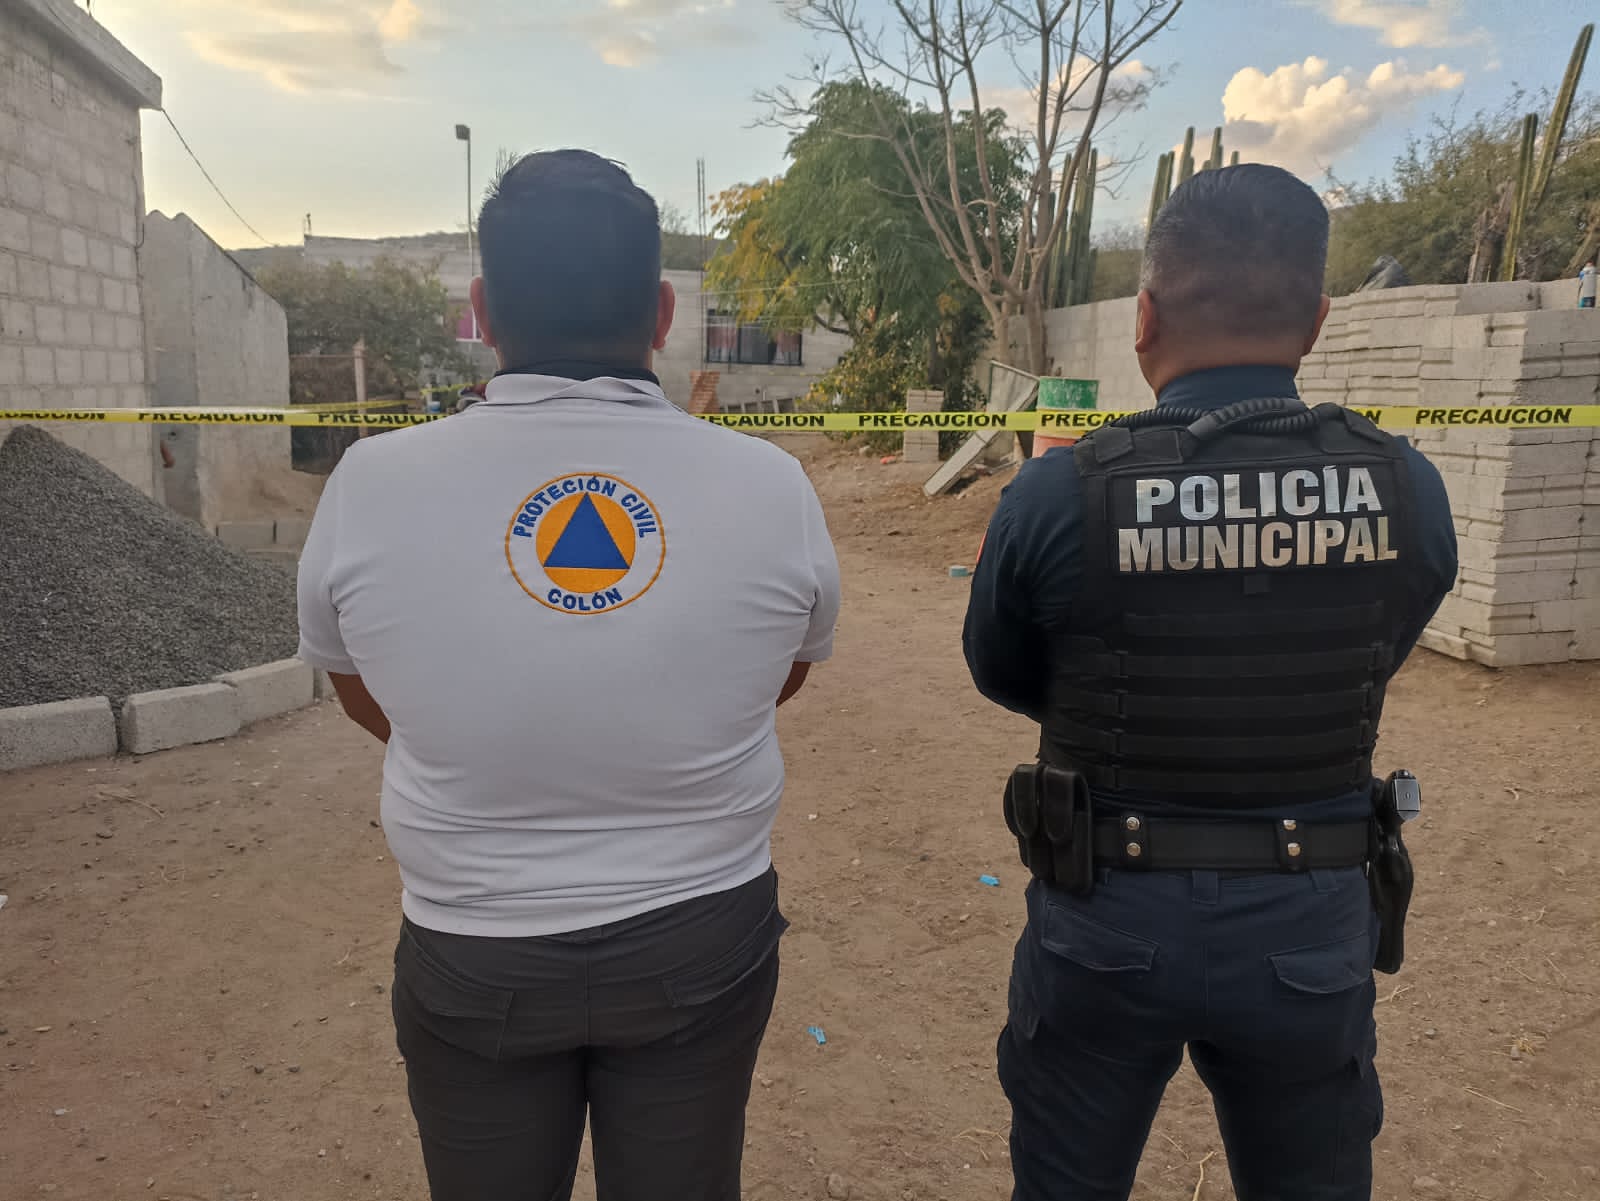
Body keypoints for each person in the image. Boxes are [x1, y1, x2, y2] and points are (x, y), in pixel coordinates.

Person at [296, 149, 841, 1201]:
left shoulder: (370, 482)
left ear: (483, 310)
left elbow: (362, 689)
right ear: (662, 312)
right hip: (699, 936)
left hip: (472, 946)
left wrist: (487, 739)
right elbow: (778, 676)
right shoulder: (771, 485)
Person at [963, 163, 1458, 1201]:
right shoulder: (1404, 486)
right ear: (1315, 321)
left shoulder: (1056, 493)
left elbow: (1003, 671)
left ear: (1143, 318)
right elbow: (1382, 645)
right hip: (1308, 921)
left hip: (1105, 912)